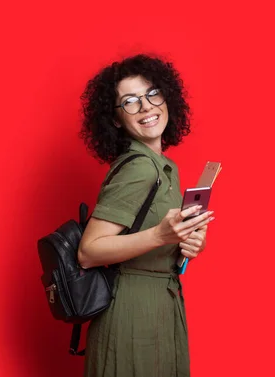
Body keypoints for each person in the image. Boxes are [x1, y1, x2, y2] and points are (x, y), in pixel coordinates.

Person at [78, 54, 215, 377]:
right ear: (114, 119)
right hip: (132, 311)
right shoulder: (139, 168)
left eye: (152, 94)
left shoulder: (163, 167)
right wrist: (160, 235)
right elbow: (88, 252)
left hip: (161, 305)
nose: (146, 107)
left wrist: (189, 245)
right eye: (129, 101)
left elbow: (151, 245)